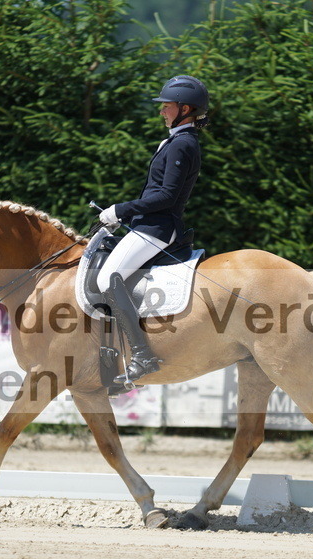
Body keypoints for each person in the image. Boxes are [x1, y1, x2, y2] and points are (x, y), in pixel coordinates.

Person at [97, 74, 209, 388]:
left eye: (167, 107)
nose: (161, 111)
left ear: (185, 108)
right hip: (149, 224)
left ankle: (143, 354)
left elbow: (166, 197)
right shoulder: (177, 140)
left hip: (158, 228)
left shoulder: (183, 143)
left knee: (108, 279)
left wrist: (120, 209)